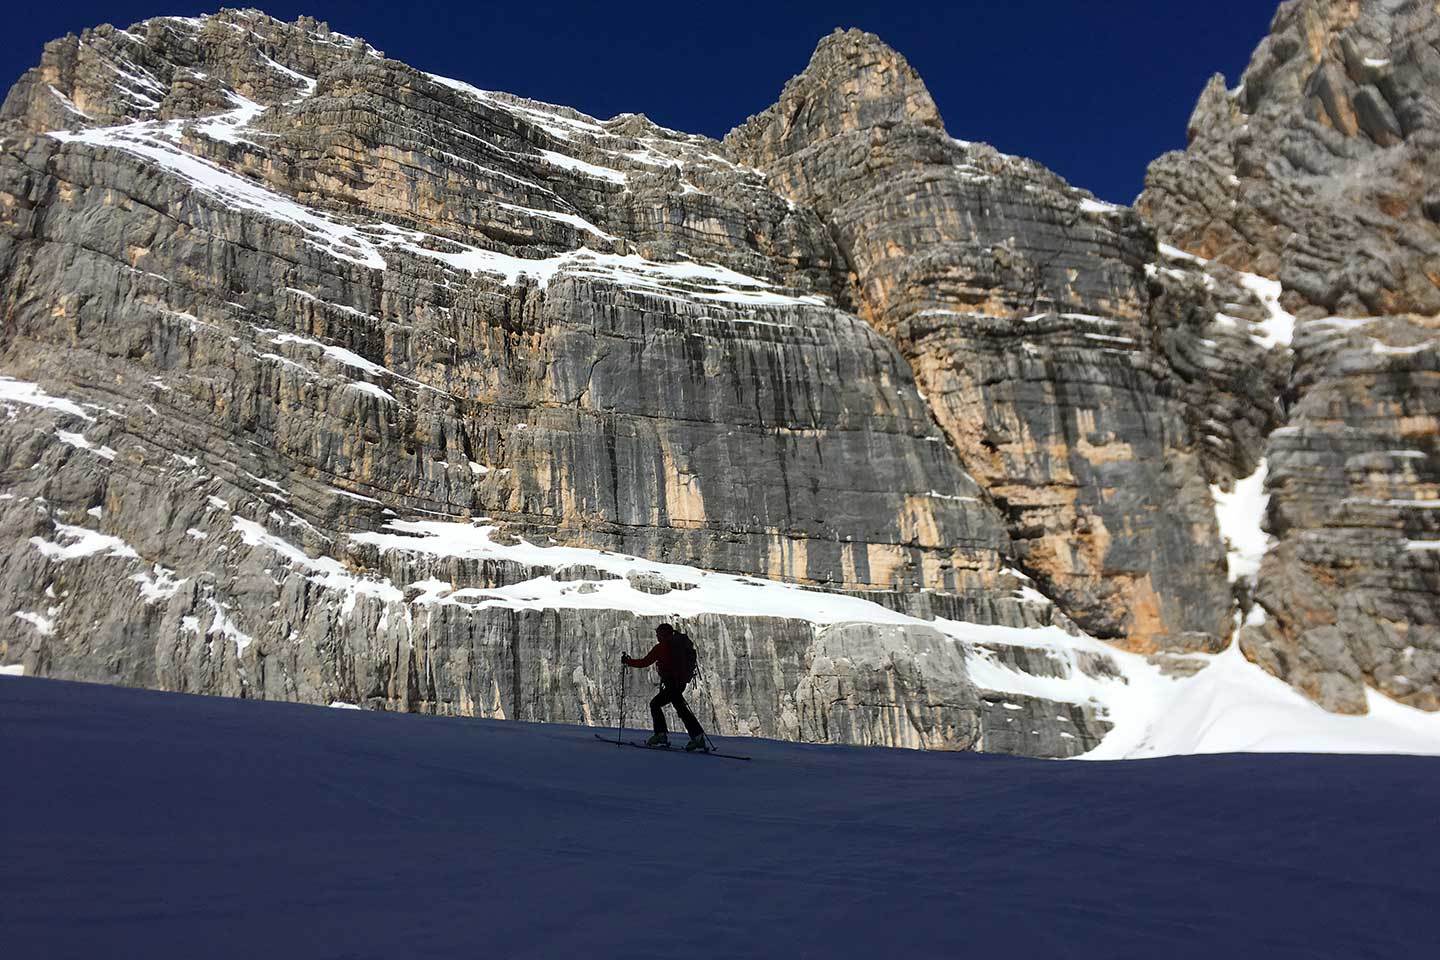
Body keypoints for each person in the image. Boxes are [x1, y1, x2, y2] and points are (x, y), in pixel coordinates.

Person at [622, 623, 707, 751]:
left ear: (662, 634)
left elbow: (645, 662)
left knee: (656, 705)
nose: (656, 636)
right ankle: (697, 737)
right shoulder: (677, 646)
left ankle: (664, 736)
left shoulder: (661, 647)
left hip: (672, 684)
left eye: (658, 634)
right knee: (680, 708)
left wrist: (628, 661)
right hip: (680, 683)